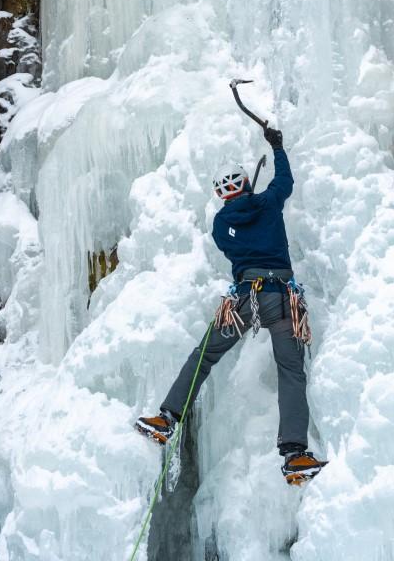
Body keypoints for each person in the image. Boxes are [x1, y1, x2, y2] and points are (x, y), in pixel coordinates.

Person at [135, 126, 326, 485]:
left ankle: (167, 418)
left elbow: (231, 244)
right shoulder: (269, 203)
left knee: (205, 356)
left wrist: (246, 208)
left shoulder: (222, 224)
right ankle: (295, 455)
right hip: (283, 300)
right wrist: (278, 148)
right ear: (245, 183)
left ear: (221, 193)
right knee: (290, 369)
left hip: (244, 301)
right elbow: (284, 181)